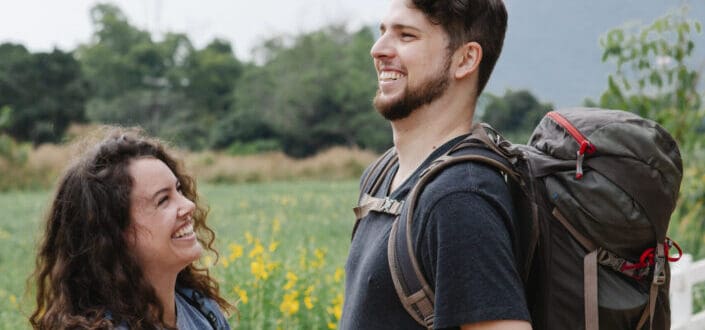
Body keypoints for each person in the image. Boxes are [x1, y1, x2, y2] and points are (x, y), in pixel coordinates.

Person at [340, 0, 532, 329]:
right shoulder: (383, 174)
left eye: (407, 36)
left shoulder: (459, 199)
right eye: (383, 31)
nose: (378, 49)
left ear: (465, 59)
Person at [30, 128, 233, 329]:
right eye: (163, 200)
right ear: (115, 232)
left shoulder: (201, 309)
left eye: (179, 189)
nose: (189, 205)